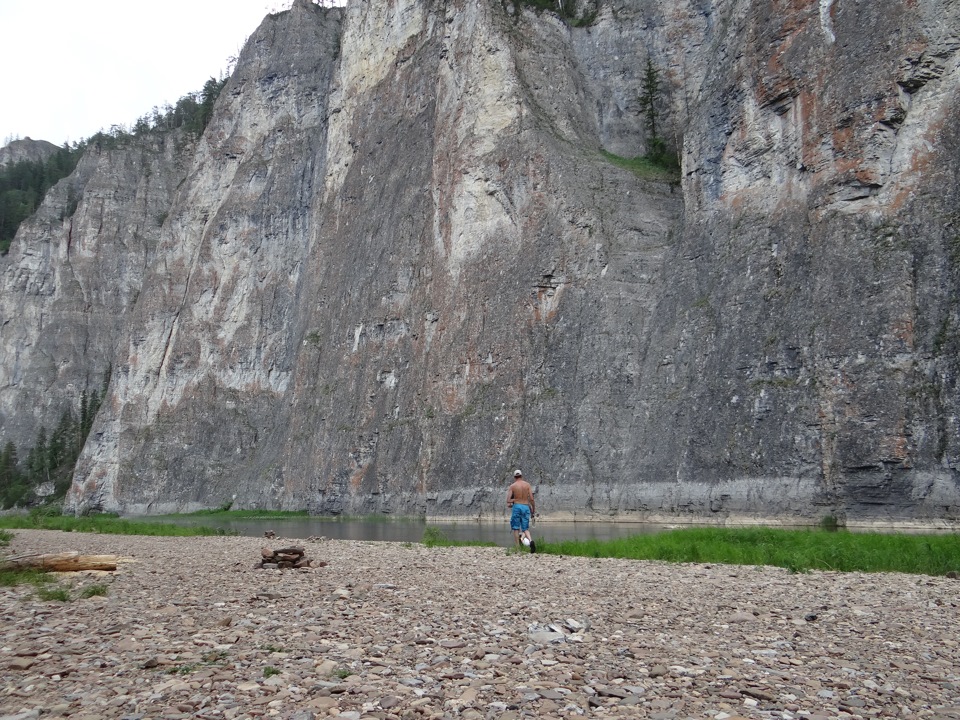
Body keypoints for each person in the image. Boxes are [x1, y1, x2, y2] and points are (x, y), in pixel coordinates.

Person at [507, 469, 536, 553]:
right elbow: (531, 499)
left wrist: (515, 499)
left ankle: (517, 548)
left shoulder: (512, 486)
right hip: (526, 506)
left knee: (516, 528)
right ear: (521, 476)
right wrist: (533, 510)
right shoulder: (527, 485)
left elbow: (508, 500)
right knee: (525, 528)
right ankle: (530, 541)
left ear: (514, 477)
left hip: (517, 506)